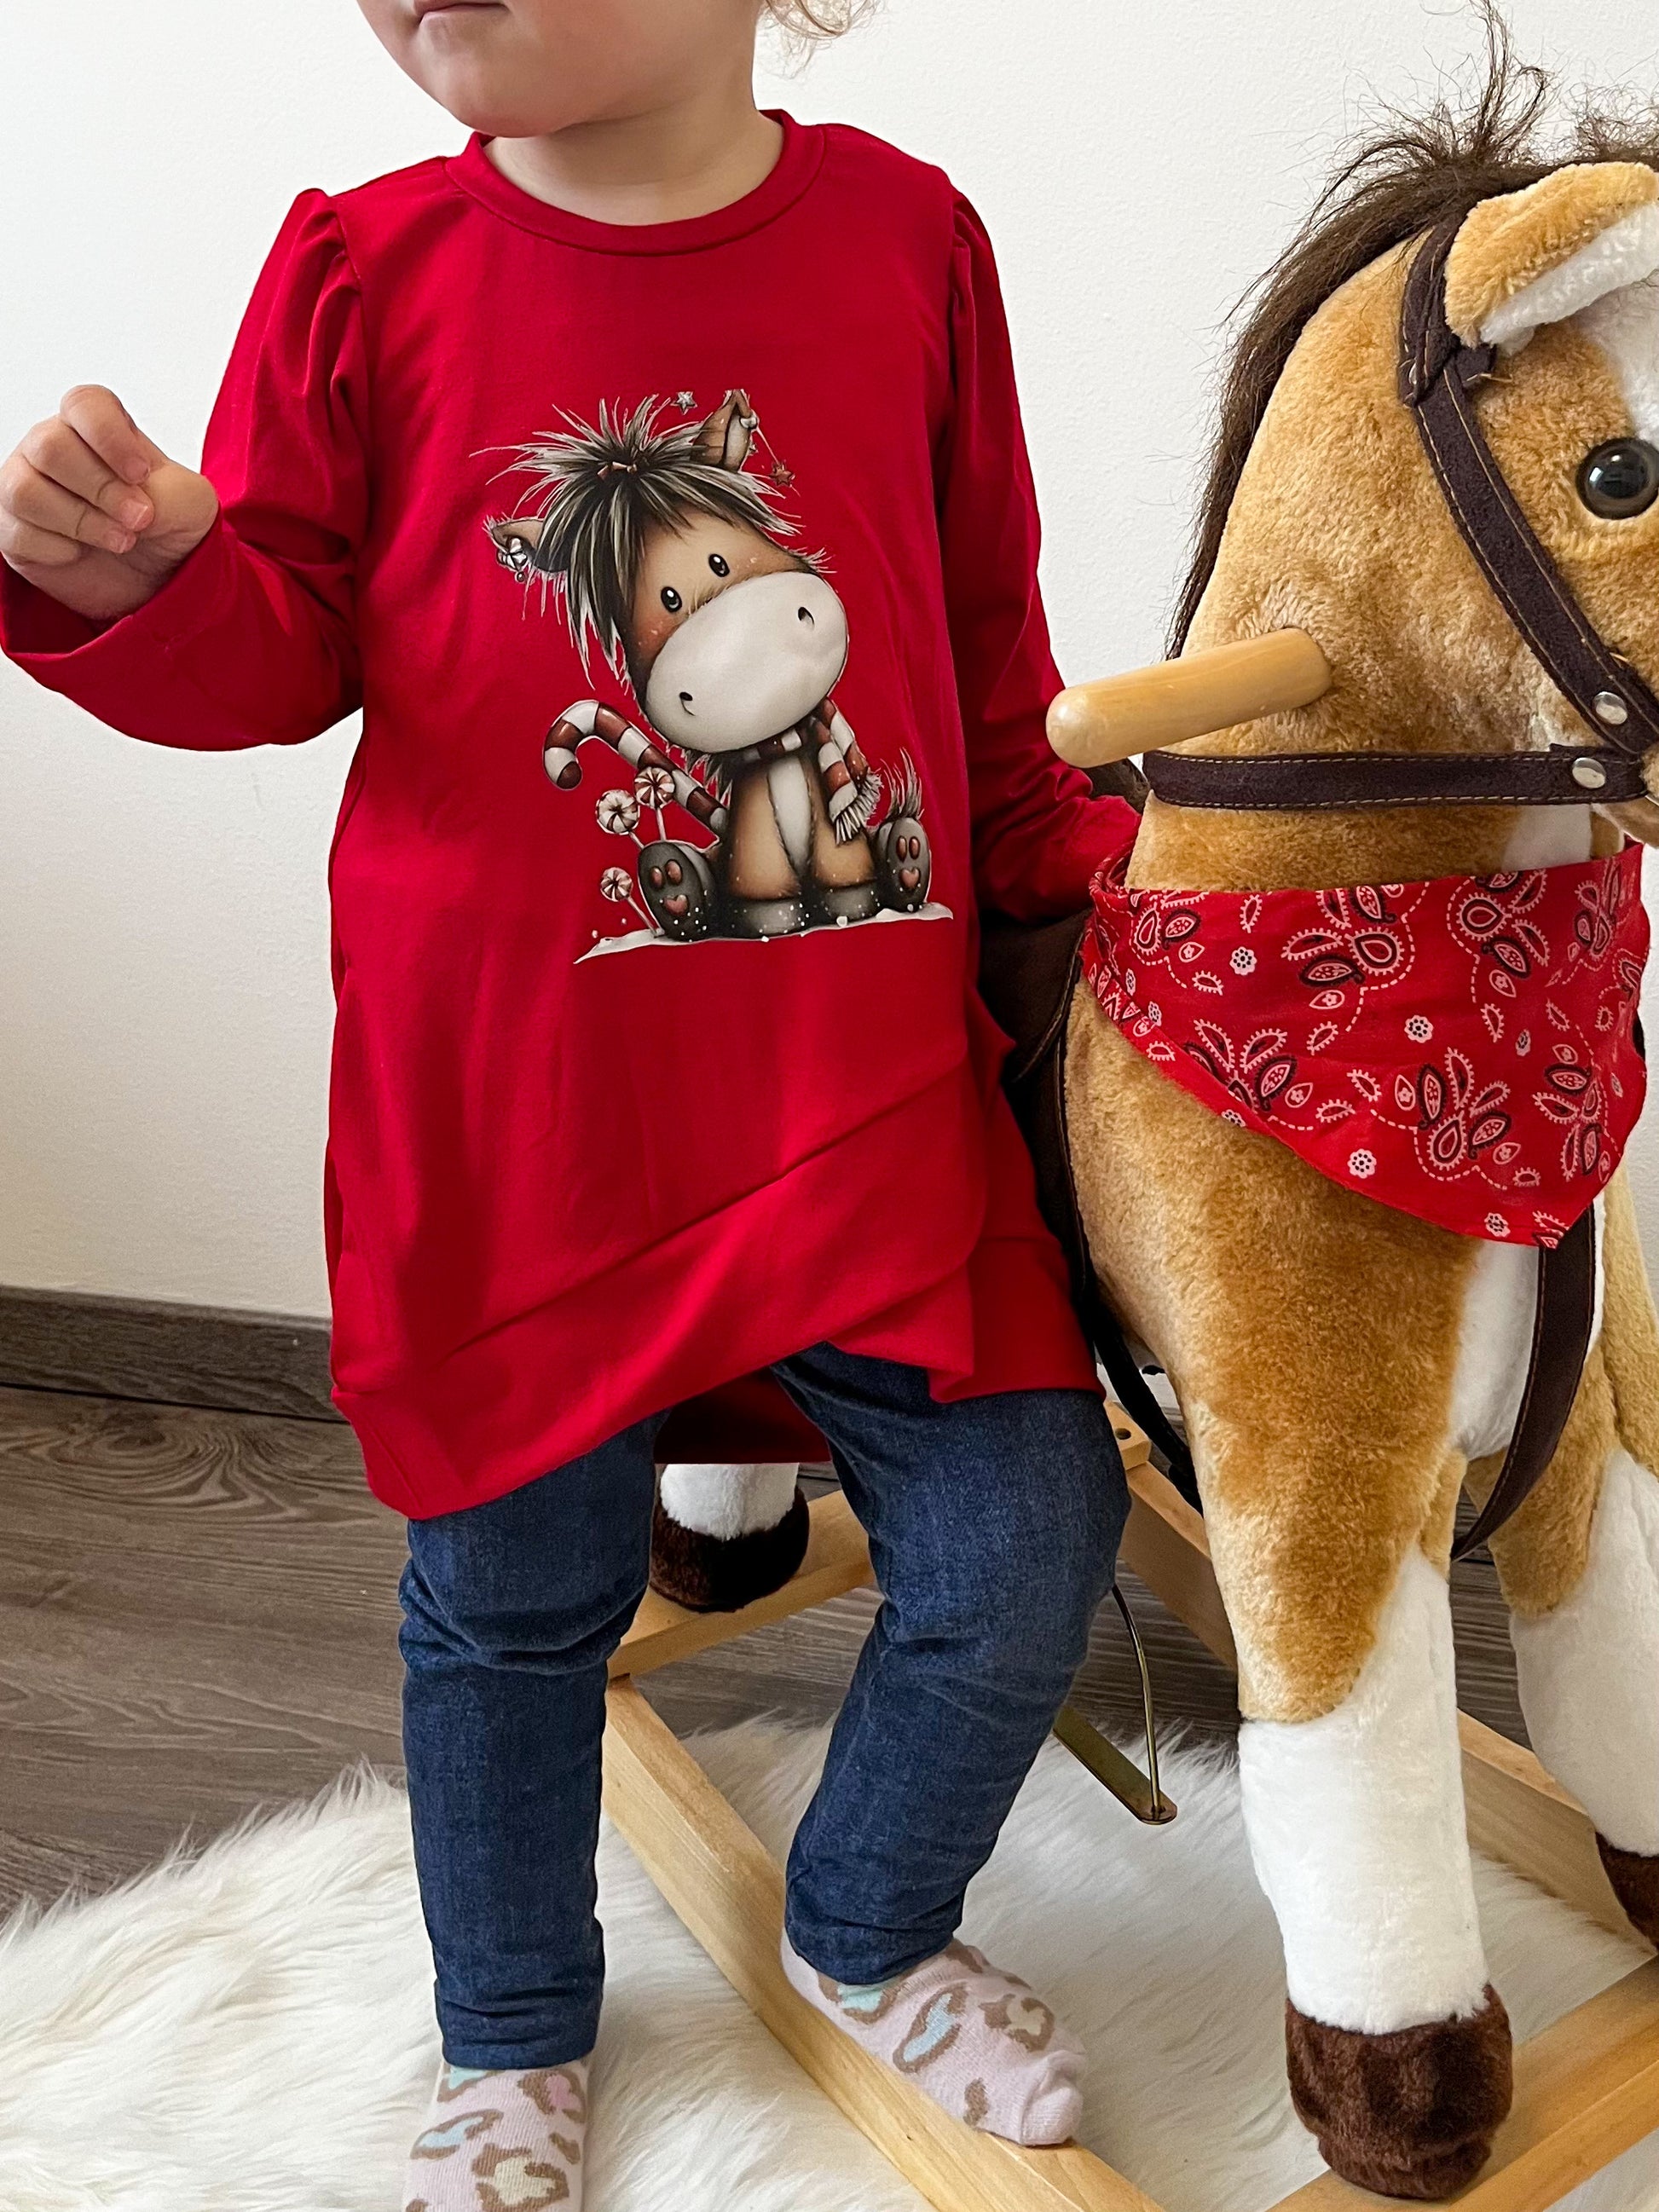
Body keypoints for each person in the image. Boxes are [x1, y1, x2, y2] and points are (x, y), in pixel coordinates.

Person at [0, 3, 1139, 2203]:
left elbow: (986, 654)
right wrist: (144, 577)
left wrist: (1120, 898)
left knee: (1023, 1543)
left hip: (864, 1104)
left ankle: (868, 1915)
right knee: (512, 1605)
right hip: (521, 1133)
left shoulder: (908, 241)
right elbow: (281, 651)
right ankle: (510, 2032)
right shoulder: (364, 267)